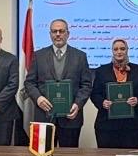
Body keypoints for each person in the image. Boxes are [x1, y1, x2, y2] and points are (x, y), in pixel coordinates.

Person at [24, 19, 92, 148]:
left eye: (61, 31)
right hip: (44, 117)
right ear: (50, 34)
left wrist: (78, 104)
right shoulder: (38, 56)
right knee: (43, 155)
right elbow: (29, 83)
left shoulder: (80, 56)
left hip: (71, 118)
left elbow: (86, 85)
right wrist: (38, 98)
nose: (58, 34)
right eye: (54, 31)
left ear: (68, 34)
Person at [90, 38, 138, 149]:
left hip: (134, 125)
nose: (119, 52)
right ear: (112, 51)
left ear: (127, 50)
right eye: (116, 49)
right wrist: (102, 102)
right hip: (107, 125)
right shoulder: (101, 71)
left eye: (122, 49)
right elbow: (94, 94)